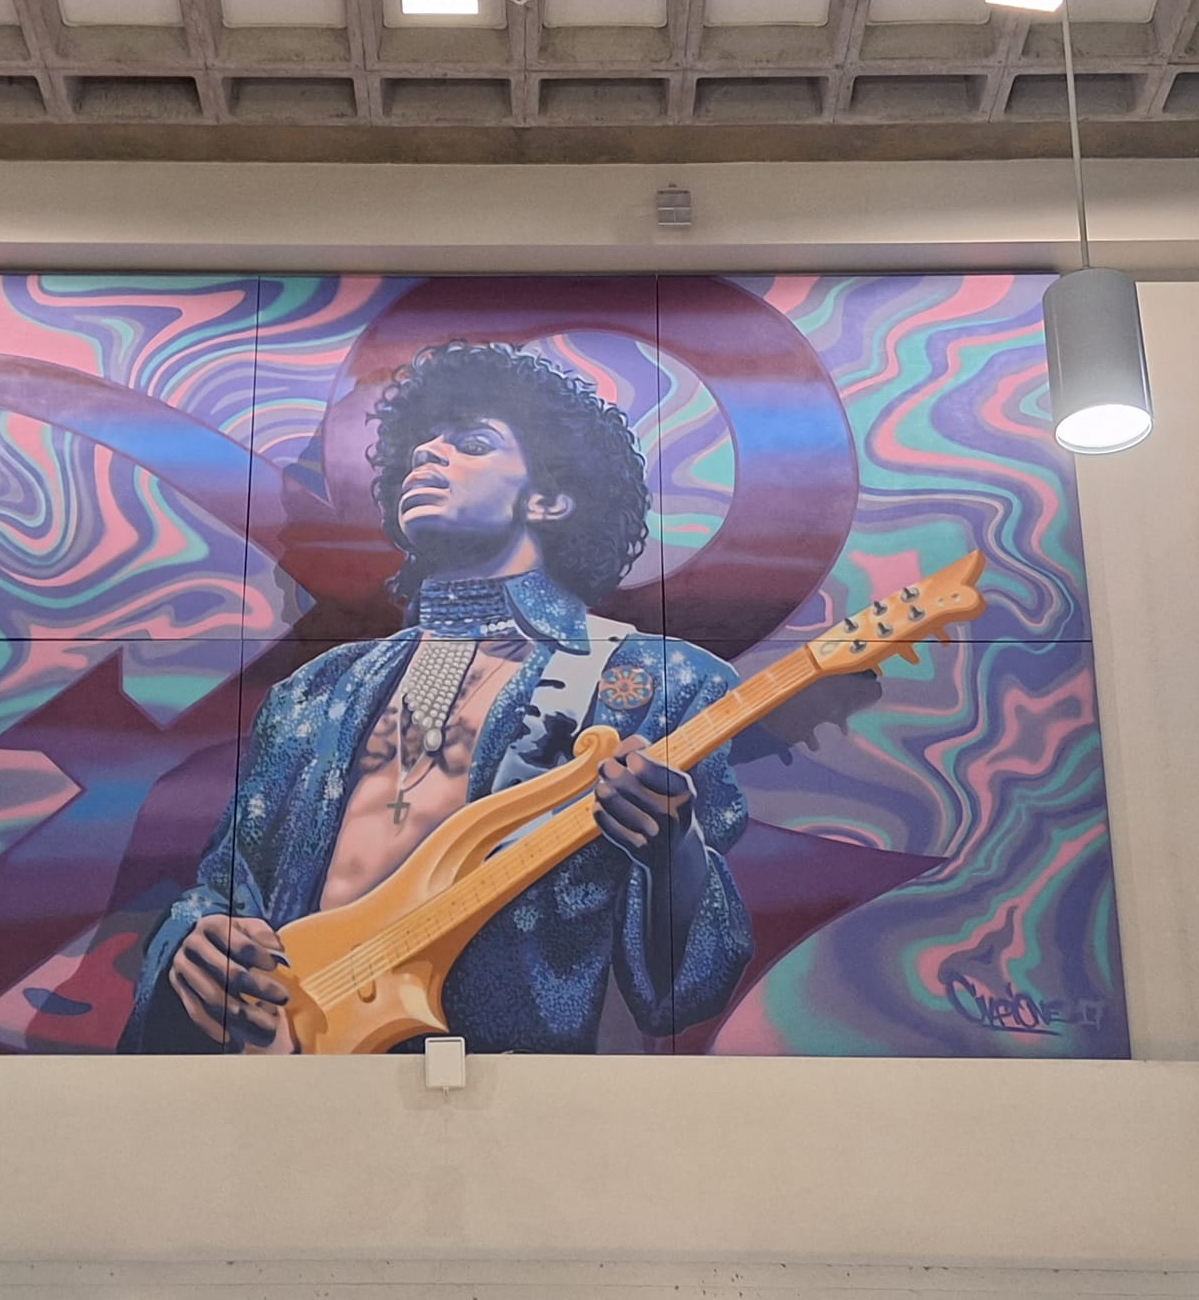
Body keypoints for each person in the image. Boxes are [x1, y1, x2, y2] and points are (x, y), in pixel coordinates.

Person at [120, 340, 752, 1054]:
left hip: (506, 1090)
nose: (428, 453)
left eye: (472, 443)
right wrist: (196, 938)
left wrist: (674, 854)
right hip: (290, 1063)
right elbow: (226, 885)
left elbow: (687, 990)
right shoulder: (315, 690)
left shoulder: (657, 681)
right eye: (421, 445)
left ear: (549, 498)